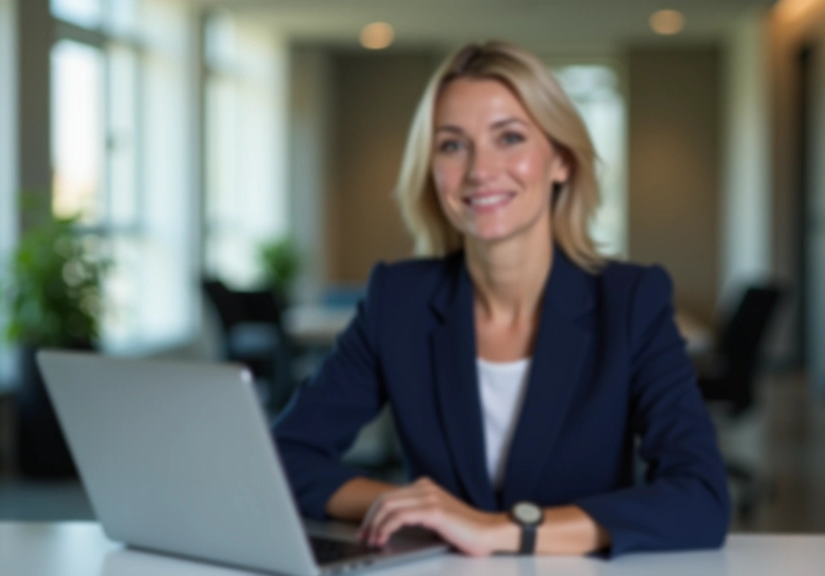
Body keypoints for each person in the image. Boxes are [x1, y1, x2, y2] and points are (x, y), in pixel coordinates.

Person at [273, 40, 729, 558]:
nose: (479, 171)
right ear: (431, 170)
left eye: (509, 138)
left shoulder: (629, 301)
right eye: (452, 145)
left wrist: (503, 531)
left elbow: (701, 497)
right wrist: (407, 503)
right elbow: (283, 455)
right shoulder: (397, 300)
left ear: (560, 161)